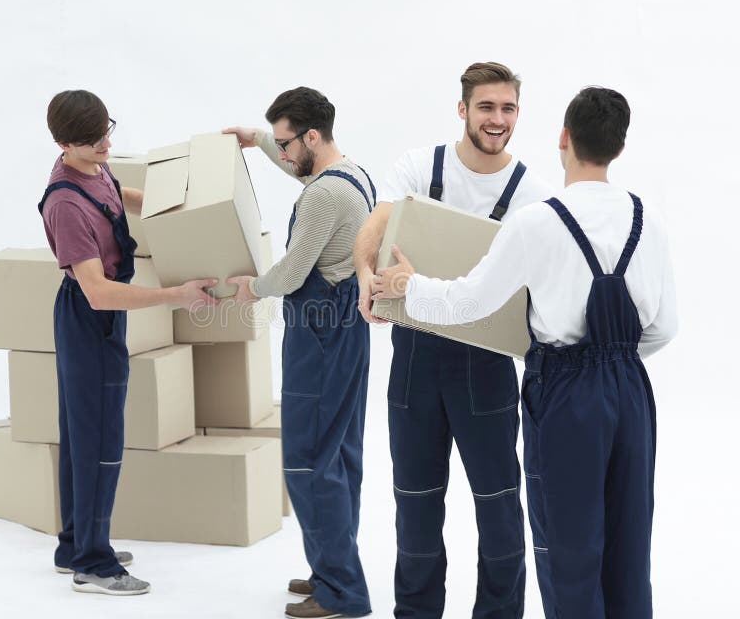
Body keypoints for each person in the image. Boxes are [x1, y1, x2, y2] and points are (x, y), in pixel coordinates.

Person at [373, 86, 677, 618]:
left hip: (565, 392)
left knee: (567, 548)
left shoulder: (538, 219)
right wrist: (614, 366)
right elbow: (664, 328)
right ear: (619, 147)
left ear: (563, 137)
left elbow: (469, 302)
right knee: (629, 547)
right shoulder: (645, 218)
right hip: (631, 390)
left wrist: (410, 286)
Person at [354, 61, 554, 618]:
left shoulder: (532, 193)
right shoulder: (422, 166)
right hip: (414, 359)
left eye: (507, 108)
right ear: (462, 109)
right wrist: (366, 273)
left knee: (498, 505)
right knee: (414, 503)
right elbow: (379, 219)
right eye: (486, 107)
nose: (497, 119)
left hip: (486, 365)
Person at [40, 90, 216, 596]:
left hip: (99, 316)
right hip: (89, 318)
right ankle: (93, 565)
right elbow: (97, 292)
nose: (106, 145)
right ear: (62, 144)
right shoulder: (65, 203)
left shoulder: (93, 167)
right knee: (99, 441)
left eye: (106, 133)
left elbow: (121, 197)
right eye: (93, 142)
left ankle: (75, 543)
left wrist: (180, 205)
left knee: (80, 435)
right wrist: (175, 295)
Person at [224, 86, 376, 619]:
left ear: (312, 137)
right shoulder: (350, 172)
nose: (284, 156)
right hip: (345, 333)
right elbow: (295, 167)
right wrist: (258, 140)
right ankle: (333, 569)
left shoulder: (323, 196)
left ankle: (342, 593)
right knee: (340, 456)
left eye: (287, 144)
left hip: (322, 335)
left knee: (309, 462)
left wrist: (252, 288)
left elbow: (291, 272)